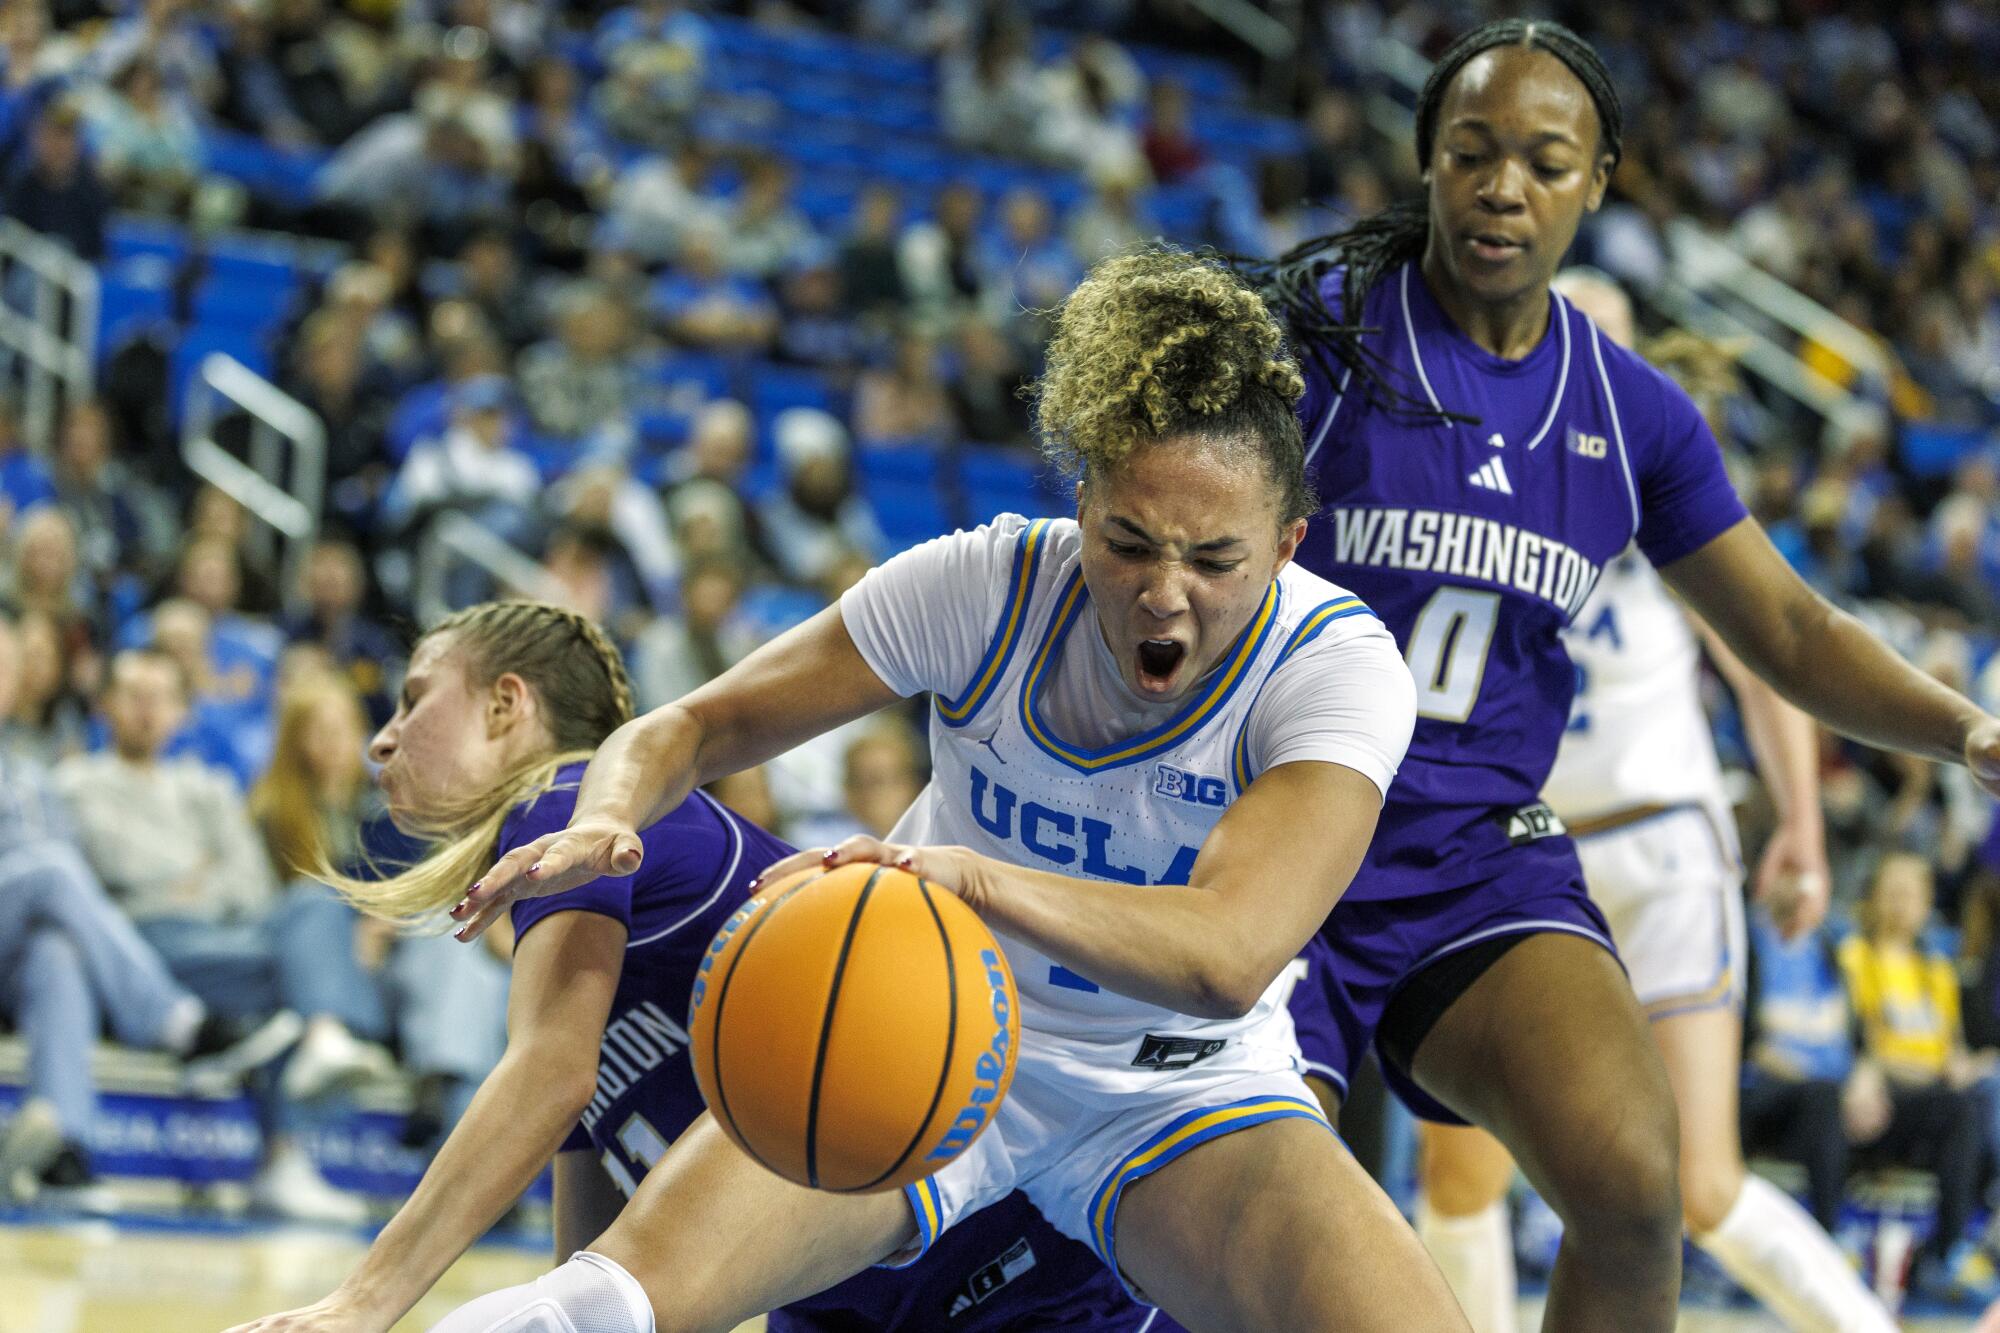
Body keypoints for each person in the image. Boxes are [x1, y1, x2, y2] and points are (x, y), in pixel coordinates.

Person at [439, 248, 1461, 1331]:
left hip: (1182, 1085)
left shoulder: (1332, 665)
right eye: (1127, 543)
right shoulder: (985, 584)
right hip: (937, 1023)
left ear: (1288, 542)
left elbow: (1224, 955)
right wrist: (606, 809)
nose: (1165, 594)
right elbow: (693, 726)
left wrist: (974, 877)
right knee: (591, 1308)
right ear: (1082, 507)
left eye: (1214, 560)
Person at [1240, 19, 2000, 1328]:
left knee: (1638, 1184)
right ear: (1427, 158)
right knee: (1273, 1227)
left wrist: (1970, 731)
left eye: (1546, 160)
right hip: (1270, 828)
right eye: (1473, 151)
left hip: (1471, 855)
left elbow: (1793, 634)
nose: (1503, 186)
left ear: (1597, 184)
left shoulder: (1631, 408)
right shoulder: (1322, 342)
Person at [224, 599, 1178, 1333]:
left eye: (412, 697)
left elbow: (550, 1074)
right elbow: (599, 1252)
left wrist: (364, 1300)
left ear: (507, 704)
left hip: (993, 1233)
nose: (383, 735)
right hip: (842, 1279)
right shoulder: (555, 906)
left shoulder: (564, 805)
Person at [1402, 273, 1896, 1331]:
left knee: (1702, 1187)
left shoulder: (1666, 480)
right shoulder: (1463, 479)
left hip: (1661, 843)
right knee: (1459, 1179)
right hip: (1512, 862)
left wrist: (1801, 832)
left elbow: (1769, 663)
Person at [1837, 851, 1996, 1298]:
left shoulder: (1937, 969)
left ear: (1927, 903)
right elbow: (1862, 1047)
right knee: (1965, 1111)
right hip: (1875, 1101)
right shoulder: (1855, 957)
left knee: (1980, 1099)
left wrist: (1970, 1065)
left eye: (1910, 894)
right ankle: (1953, 1249)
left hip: (1933, 1100)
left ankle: (1948, 1250)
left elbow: (1953, 1050)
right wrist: (1935, 1070)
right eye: (1891, 892)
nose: (1900, 903)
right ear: (1873, 898)